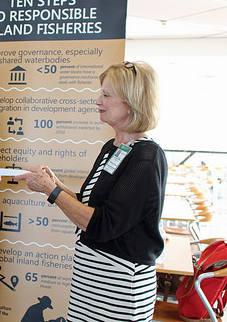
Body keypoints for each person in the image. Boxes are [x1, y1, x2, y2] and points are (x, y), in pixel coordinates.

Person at [15, 61, 167, 321]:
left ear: (131, 103)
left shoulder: (146, 158)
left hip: (118, 287)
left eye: (107, 95)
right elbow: (88, 205)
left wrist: (52, 191)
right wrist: (53, 183)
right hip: (91, 280)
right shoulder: (113, 148)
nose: (98, 101)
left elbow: (102, 224)